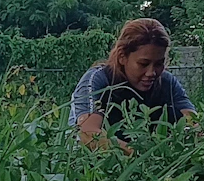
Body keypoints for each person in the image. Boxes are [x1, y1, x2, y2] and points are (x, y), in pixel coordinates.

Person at [70, 18, 196, 148]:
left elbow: (195, 122)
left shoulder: (167, 83)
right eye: (143, 64)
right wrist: (138, 157)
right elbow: (88, 133)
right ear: (122, 57)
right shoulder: (99, 80)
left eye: (159, 64)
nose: (151, 72)